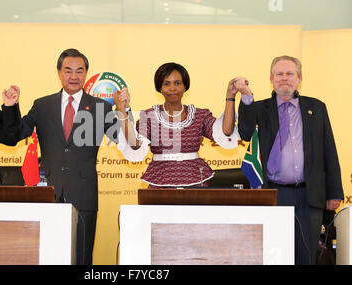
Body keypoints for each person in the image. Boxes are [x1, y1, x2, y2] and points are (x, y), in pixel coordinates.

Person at [2, 48, 129, 265]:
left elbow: (124, 142)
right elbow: (14, 135)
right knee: (48, 255)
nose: (73, 76)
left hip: (84, 194)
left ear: (86, 73)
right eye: (68, 70)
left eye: (79, 71)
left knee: (82, 257)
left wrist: (122, 110)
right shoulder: (42, 105)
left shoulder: (100, 107)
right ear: (59, 73)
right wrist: (10, 106)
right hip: (48, 193)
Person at [237, 55, 344, 265]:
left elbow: (329, 150)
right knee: (276, 254)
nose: (284, 78)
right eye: (279, 74)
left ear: (299, 78)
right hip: (275, 194)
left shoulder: (317, 108)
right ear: (271, 78)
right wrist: (247, 97)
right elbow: (245, 132)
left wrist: (334, 192)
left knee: (307, 256)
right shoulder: (260, 108)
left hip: (309, 195)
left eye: (289, 74)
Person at [115, 62, 244, 188]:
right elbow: (135, 145)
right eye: (166, 84)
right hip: (159, 181)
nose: (172, 88)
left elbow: (226, 131)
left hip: (195, 182)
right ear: (160, 88)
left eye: (178, 83)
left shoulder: (199, 115)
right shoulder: (149, 116)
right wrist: (121, 110)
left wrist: (230, 95)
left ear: (185, 86)